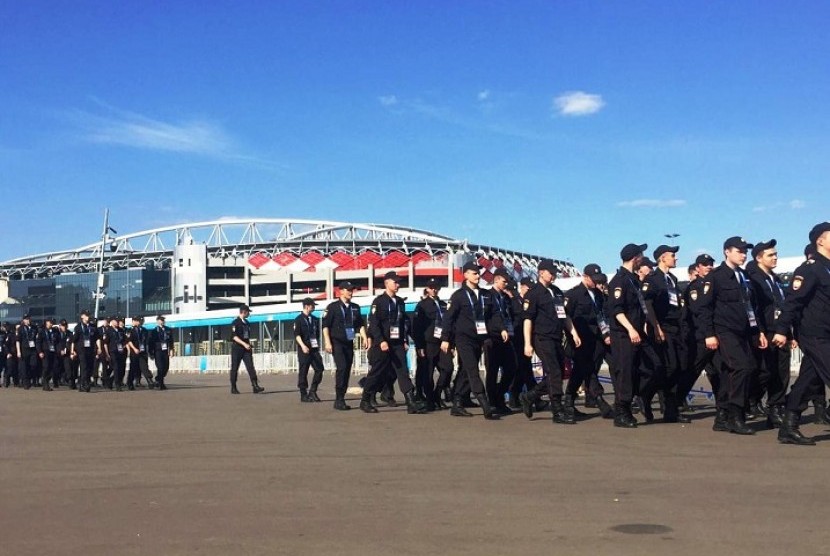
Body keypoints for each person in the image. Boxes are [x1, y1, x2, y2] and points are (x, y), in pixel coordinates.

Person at [698, 237, 767, 435]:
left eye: (745, 251)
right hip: (724, 330)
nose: (743, 254)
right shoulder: (716, 276)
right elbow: (705, 308)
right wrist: (709, 334)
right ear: (727, 252)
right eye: (739, 251)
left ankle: (722, 415)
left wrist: (758, 330)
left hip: (744, 331)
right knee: (742, 367)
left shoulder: (744, 276)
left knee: (734, 372)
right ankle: (736, 415)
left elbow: (751, 306)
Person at [773, 222, 830, 445]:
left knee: (808, 378)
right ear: (820, 241)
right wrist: (781, 329)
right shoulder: (810, 268)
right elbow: (793, 301)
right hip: (815, 333)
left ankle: (788, 426)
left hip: (827, 330)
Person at [519, 259, 582, 424]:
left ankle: (529, 396)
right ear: (541, 272)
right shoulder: (533, 293)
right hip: (541, 337)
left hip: (556, 337)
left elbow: (565, 315)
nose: (553, 275)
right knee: (554, 372)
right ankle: (557, 411)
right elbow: (528, 319)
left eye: (555, 272)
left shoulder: (557, 291)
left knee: (559, 373)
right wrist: (527, 343)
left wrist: (573, 333)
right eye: (550, 272)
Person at [360, 271, 427, 414]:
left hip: (397, 344)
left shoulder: (400, 302)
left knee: (403, 371)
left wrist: (404, 340)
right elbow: (374, 323)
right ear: (387, 283)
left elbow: (402, 323)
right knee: (376, 373)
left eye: (398, 282)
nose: (397, 285)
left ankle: (410, 402)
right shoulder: (379, 302)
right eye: (395, 282)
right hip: (383, 344)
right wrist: (380, 340)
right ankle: (365, 400)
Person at [440, 262, 500, 420]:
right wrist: (446, 339)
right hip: (463, 338)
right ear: (465, 275)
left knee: (466, 371)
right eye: (474, 273)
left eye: (478, 273)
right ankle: (485, 404)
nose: (478, 276)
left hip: (479, 338)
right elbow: (448, 319)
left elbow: (494, 315)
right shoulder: (458, 296)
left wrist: (500, 330)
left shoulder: (486, 295)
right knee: (473, 369)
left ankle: (457, 403)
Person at [641, 245, 690, 423]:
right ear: (662, 258)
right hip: (662, 328)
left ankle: (671, 411)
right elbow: (648, 304)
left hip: (676, 328)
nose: (675, 258)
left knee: (679, 368)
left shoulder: (672, 279)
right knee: (667, 368)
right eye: (672, 256)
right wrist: (656, 327)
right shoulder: (652, 279)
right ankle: (645, 395)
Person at [606, 243, 652, 428]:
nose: (642, 258)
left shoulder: (633, 280)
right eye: (641, 255)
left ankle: (635, 399)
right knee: (625, 373)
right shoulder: (619, 280)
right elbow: (617, 310)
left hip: (638, 333)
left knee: (647, 369)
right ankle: (621, 411)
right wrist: (631, 329)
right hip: (624, 335)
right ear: (635, 257)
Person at [746, 240, 789, 428]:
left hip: (780, 331)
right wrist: (760, 331)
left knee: (781, 373)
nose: (775, 258)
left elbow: (783, 306)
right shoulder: (753, 279)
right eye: (770, 255)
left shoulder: (775, 279)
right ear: (758, 258)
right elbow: (753, 308)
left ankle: (775, 408)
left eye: (775, 254)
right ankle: (751, 399)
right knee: (764, 372)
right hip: (765, 332)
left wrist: (790, 332)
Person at [564, 264, 613, 418]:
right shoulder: (574, 295)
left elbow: (601, 316)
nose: (596, 283)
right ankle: (599, 400)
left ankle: (568, 400)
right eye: (594, 279)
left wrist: (606, 334)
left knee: (580, 371)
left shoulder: (598, 295)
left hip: (595, 339)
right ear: (585, 277)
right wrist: (573, 335)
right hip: (580, 338)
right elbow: (566, 317)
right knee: (588, 369)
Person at [322, 281, 368, 410]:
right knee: (341, 368)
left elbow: (360, 325)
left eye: (352, 290)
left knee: (347, 369)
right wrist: (327, 342)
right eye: (348, 290)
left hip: (349, 342)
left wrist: (365, 337)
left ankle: (342, 396)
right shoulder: (333, 307)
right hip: (337, 342)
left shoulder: (355, 307)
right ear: (340, 291)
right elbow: (325, 326)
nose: (350, 292)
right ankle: (339, 399)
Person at [412, 278, 454, 410]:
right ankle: (430, 399)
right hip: (428, 344)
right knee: (427, 373)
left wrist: (450, 342)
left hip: (442, 343)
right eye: (431, 287)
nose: (434, 289)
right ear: (427, 289)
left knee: (448, 368)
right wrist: (419, 346)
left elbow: (449, 324)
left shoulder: (443, 304)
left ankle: (437, 393)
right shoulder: (422, 305)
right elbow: (416, 327)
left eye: (436, 287)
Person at [483, 268, 518, 415]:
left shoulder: (505, 297)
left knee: (512, 368)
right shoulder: (487, 296)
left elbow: (509, 315)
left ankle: (499, 394)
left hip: (506, 337)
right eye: (504, 281)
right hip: (492, 338)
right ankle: (493, 401)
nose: (505, 284)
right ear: (496, 279)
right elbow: (489, 317)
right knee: (492, 370)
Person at [508, 277, 537, 409]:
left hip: (527, 338)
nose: (529, 290)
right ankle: (533, 396)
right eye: (528, 288)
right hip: (517, 338)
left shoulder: (530, 301)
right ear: (522, 287)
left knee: (523, 369)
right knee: (524, 369)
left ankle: (516, 395)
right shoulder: (515, 301)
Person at [229, 305, 265, 395]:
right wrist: (244, 344)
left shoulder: (247, 323)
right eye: (248, 312)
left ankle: (255, 385)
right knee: (234, 368)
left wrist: (248, 344)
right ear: (244, 312)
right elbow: (234, 336)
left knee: (250, 367)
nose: (249, 314)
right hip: (237, 348)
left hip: (246, 348)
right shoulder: (235, 322)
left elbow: (246, 336)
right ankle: (233, 387)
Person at [294, 298, 324, 402]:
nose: (314, 307)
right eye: (312, 305)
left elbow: (317, 334)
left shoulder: (315, 319)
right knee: (304, 371)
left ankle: (313, 390)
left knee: (319, 369)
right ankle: (303, 393)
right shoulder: (298, 319)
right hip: (304, 348)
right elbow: (297, 335)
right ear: (307, 306)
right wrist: (302, 346)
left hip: (314, 348)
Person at [71, 310, 100, 393]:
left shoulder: (93, 326)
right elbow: (74, 340)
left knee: (90, 367)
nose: (88, 317)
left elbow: (97, 338)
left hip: (90, 350)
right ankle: (83, 384)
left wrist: (99, 348)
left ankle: (86, 382)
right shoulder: (78, 327)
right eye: (86, 315)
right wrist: (73, 351)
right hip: (81, 350)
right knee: (84, 367)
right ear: (82, 316)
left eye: (88, 315)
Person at [126, 315, 154, 390]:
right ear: (134, 321)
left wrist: (148, 351)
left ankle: (149, 380)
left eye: (141, 321)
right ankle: (130, 383)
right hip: (134, 351)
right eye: (138, 321)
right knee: (133, 368)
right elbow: (129, 341)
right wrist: (134, 349)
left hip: (142, 351)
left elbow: (147, 341)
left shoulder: (144, 330)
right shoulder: (130, 330)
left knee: (144, 366)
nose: (140, 322)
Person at [149, 315, 175, 390]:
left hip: (165, 351)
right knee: (160, 367)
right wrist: (151, 352)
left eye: (163, 320)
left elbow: (171, 341)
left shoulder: (168, 329)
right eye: (160, 320)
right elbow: (151, 342)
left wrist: (172, 350)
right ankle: (161, 384)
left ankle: (158, 378)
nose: (162, 321)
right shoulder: (154, 331)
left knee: (166, 368)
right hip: (158, 351)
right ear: (157, 321)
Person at [103, 316, 128, 392]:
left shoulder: (121, 330)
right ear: (112, 321)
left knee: (120, 368)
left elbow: (125, 340)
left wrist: (123, 346)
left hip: (120, 352)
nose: (117, 322)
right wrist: (107, 354)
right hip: (112, 351)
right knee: (116, 367)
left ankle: (110, 381)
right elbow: (105, 343)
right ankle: (117, 384)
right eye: (116, 321)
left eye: (118, 321)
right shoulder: (108, 331)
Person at [36, 318, 60, 391]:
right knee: (46, 367)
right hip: (45, 351)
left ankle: (47, 380)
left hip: (53, 352)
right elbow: (38, 342)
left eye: (52, 323)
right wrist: (40, 352)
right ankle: (45, 383)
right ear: (47, 322)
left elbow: (58, 342)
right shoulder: (42, 331)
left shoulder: (55, 331)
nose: (51, 324)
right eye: (50, 322)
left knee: (53, 367)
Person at [16, 314, 38, 390]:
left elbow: (36, 338)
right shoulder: (20, 329)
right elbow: (18, 341)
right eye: (26, 319)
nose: (28, 320)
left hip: (33, 349)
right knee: (24, 367)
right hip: (24, 349)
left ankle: (30, 378)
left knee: (33, 365)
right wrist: (18, 351)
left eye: (28, 319)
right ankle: (26, 382)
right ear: (23, 320)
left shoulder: (34, 328)